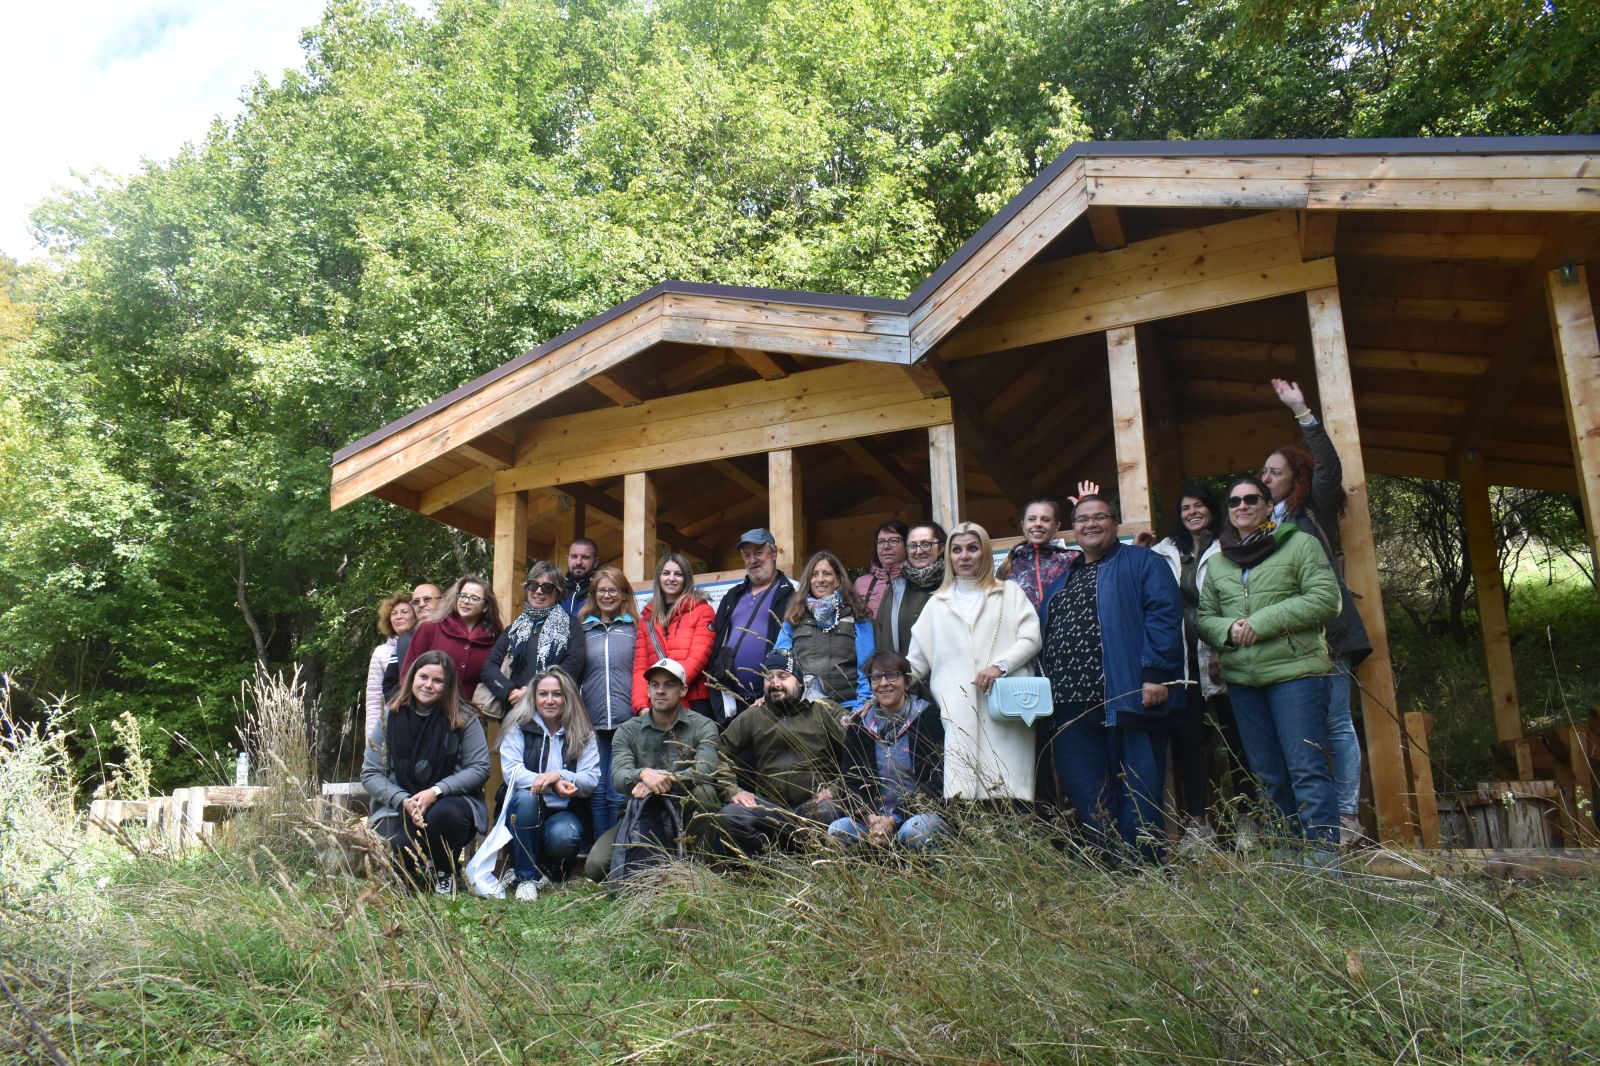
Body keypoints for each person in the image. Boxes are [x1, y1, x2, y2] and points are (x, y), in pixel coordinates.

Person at [1197, 476, 1342, 859]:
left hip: (1295, 674)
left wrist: (1262, 622)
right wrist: (1228, 630)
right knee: (1268, 776)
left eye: (1251, 499)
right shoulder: (1219, 562)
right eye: (1234, 502)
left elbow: (1326, 599)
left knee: (1306, 769)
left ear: (1266, 504)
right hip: (1244, 681)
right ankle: (1287, 861)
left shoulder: (1299, 544)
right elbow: (1205, 617)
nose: (1242, 506)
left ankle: (1324, 865)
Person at [1037, 496, 1184, 863]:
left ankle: (1145, 868)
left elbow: (1163, 616)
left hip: (1124, 696)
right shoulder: (1063, 578)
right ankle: (1110, 866)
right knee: (1087, 790)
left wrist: (1155, 673)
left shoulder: (1143, 563)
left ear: (1115, 523)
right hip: (1069, 708)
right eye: (1082, 519)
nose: (1090, 524)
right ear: (1072, 530)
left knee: (1137, 787)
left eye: (1099, 517)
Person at [1262, 378, 1372, 846]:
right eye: (1263, 472)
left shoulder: (1314, 509)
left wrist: (1302, 411)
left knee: (1335, 722)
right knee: (1302, 731)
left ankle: (1346, 816)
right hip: (1285, 640)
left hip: (1329, 632)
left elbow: (1328, 465)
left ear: (1296, 477)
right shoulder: (1267, 524)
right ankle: (1313, 818)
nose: (1264, 479)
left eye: (1273, 472)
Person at [907, 522, 1043, 801]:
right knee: (965, 799)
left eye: (972, 548)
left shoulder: (1009, 593)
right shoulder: (936, 604)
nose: (964, 556)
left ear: (985, 553)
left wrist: (1000, 666)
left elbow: (1031, 639)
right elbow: (915, 663)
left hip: (1005, 710)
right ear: (949, 556)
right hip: (958, 711)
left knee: (1010, 795)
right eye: (956, 550)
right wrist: (882, 690)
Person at [583, 658, 726, 882]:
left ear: (683, 690)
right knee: (596, 866)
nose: (660, 691)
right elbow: (618, 777)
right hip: (641, 814)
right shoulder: (628, 730)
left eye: (669, 685)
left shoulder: (703, 726)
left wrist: (659, 780)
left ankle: (697, 871)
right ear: (648, 689)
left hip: (686, 813)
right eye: (655, 685)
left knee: (704, 793)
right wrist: (641, 774)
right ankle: (660, 864)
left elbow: (704, 770)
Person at [362, 650, 490, 895]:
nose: (429, 685)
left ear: (448, 685)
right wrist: (404, 800)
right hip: (398, 803)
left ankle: (445, 873)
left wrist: (436, 791)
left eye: (438, 680)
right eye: (423, 677)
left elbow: (480, 767)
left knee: (445, 816)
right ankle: (408, 875)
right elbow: (371, 773)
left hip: (450, 801)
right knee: (395, 845)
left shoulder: (464, 717)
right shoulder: (391, 715)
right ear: (412, 677)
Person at [1150, 484, 1229, 850]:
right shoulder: (1166, 550)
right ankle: (1198, 822)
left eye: (1199, 506)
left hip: (1221, 652)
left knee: (1237, 737)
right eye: (1185, 507)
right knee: (1190, 741)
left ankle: (1250, 819)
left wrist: (1219, 647)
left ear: (1212, 509)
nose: (1192, 512)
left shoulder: (1228, 544)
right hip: (1180, 659)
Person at [716, 649, 846, 856]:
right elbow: (718, 753)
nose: (775, 683)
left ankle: (818, 866)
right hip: (772, 810)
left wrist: (837, 789)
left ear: (800, 682)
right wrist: (732, 791)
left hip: (817, 806)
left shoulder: (825, 709)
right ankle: (771, 866)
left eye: (783, 676)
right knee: (731, 815)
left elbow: (861, 751)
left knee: (831, 811)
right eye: (769, 677)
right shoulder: (754, 715)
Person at [499, 667, 599, 900]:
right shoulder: (518, 726)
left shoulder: (583, 732)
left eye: (557, 694)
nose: (550, 700)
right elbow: (511, 772)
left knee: (566, 835)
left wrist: (561, 775)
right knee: (526, 798)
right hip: (523, 809)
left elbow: (590, 779)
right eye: (543, 694)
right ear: (534, 697)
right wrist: (547, 782)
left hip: (562, 812)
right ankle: (526, 879)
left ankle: (550, 874)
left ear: (568, 698)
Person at [831, 650, 948, 849]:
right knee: (837, 829)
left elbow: (938, 781)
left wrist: (894, 820)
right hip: (874, 819)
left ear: (907, 681)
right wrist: (870, 818)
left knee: (912, 832)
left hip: (918, 815)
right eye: (876, 678)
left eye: (892, 675)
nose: (884, 683)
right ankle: (867, 875)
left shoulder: (927, 718)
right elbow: (850, 781)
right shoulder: (860, 726)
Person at [707, 529, 795, 721]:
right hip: (730, 702)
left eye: (758, 553)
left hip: (773, 701)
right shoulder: (732, 595)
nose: (752, 560)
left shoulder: (792, 593)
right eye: (747, 555)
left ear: (773, 553)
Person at [576, 566, 637, 840]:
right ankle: (599, 856)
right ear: (593, 594)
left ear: (624, 594)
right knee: (598, 790)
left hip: (628, 720)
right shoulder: (582, 629)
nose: (607, 595)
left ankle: (616, 857)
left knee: (618, 790)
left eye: (614, 590)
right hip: (592, 721)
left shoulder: (635, 628)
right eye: (602, 590)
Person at [480, 562, 585, 715]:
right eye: (533, 585)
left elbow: (574, 664)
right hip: (515, 712)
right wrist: (510, 692)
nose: (538, 591)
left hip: (555, 714)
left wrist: (533, 691)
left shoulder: (571, 625)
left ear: (558, 593)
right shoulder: (514, 629)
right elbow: (489, 667)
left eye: (547, 587)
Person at [774, 550, 875, 710]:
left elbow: (867, 665)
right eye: (814, 574)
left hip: (848, 706)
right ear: (809, 580)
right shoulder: (795, 616)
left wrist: (862, 704)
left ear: (838, 581)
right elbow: (779, 662)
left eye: (827, 573)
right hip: (803, 707)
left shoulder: (857, 614)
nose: (820, 580)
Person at [632, 553, 716, 718]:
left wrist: (671, 689)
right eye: (666, 573)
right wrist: (641, 706)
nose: (671, 578)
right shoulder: (647, 620)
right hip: (657, 704)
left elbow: (698, 657)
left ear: (686, 579)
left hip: (693, 702)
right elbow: (641, 668)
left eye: (678, 574)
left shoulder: (702, 610)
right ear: (659, 578)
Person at [401, 576, 504, 696]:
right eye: (463, 595)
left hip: (470, 711)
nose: (466, 601)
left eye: (474, 598)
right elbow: (407, 673)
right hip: (429, 710)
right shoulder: (430, 628)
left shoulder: (494, 639)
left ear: (485, 606)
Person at [874, 521, 945, 657]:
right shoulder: (895, 590)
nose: (918, 551)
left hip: (946, 676)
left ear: (940, 548)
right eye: (912, 546)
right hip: (903, 675)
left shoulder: (952, 585)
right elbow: (882, 641)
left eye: (926, 544)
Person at [998, 499, 1075, 609]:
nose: (1038, 524)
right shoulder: (1008, 566)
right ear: (1022, 524)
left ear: (1057, 526)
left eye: (1045, 520)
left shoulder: (1073, 560)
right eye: (1031, 519)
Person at [365, 591, 416, 738]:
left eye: (404, 612)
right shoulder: (381, 652)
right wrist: (371, 738)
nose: (398, 616)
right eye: (394, 613)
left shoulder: (425, 644)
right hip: (393, 723)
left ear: (415, 615)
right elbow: (375, 699)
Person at [853, 519, 908, 616]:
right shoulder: (860, 584)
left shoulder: (916, 580)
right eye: (881, 542)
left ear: (907, 544)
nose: (886, 546)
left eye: (893, 540)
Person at [559, 538, 599, 619]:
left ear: (595, 562)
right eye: (574, 557)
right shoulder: (556, 589)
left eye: (585, 557)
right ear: (567, 559)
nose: (578, 562)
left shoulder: (603, 591)